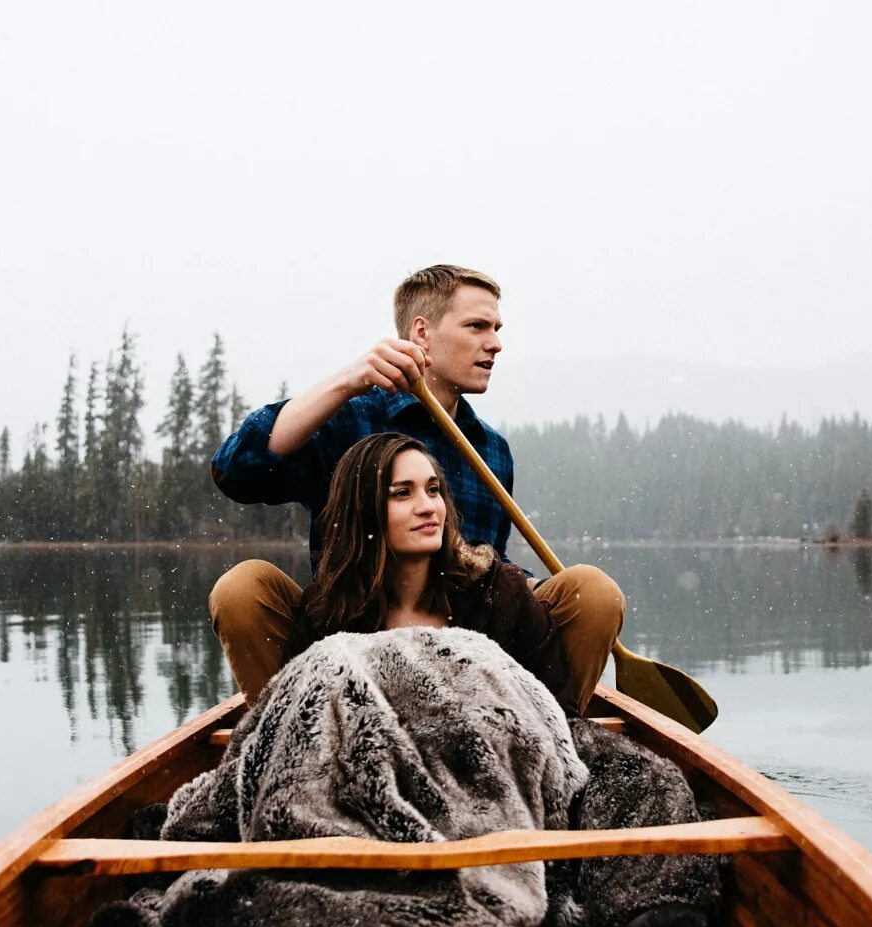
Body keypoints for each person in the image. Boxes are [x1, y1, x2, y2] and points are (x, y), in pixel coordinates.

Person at [208, 264, 623, 709]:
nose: (495, 343)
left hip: (470, 655)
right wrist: (349, 379)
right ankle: (287, 736)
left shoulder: (491, 449)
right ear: (421, 333)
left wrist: (522, 589)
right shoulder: (350, 417)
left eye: (497, 329)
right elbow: (237, 470)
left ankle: (550, 738)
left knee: (591, 592)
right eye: (477, 326)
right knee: (242, 588)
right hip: (347, 638)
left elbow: (486, 560)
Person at [287, 432, 572, 706]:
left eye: (433, 490)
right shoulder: (326, 614)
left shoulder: (496, 593)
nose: (428, 507)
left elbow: (555, 711)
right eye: (402, 493)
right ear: (362, 510)